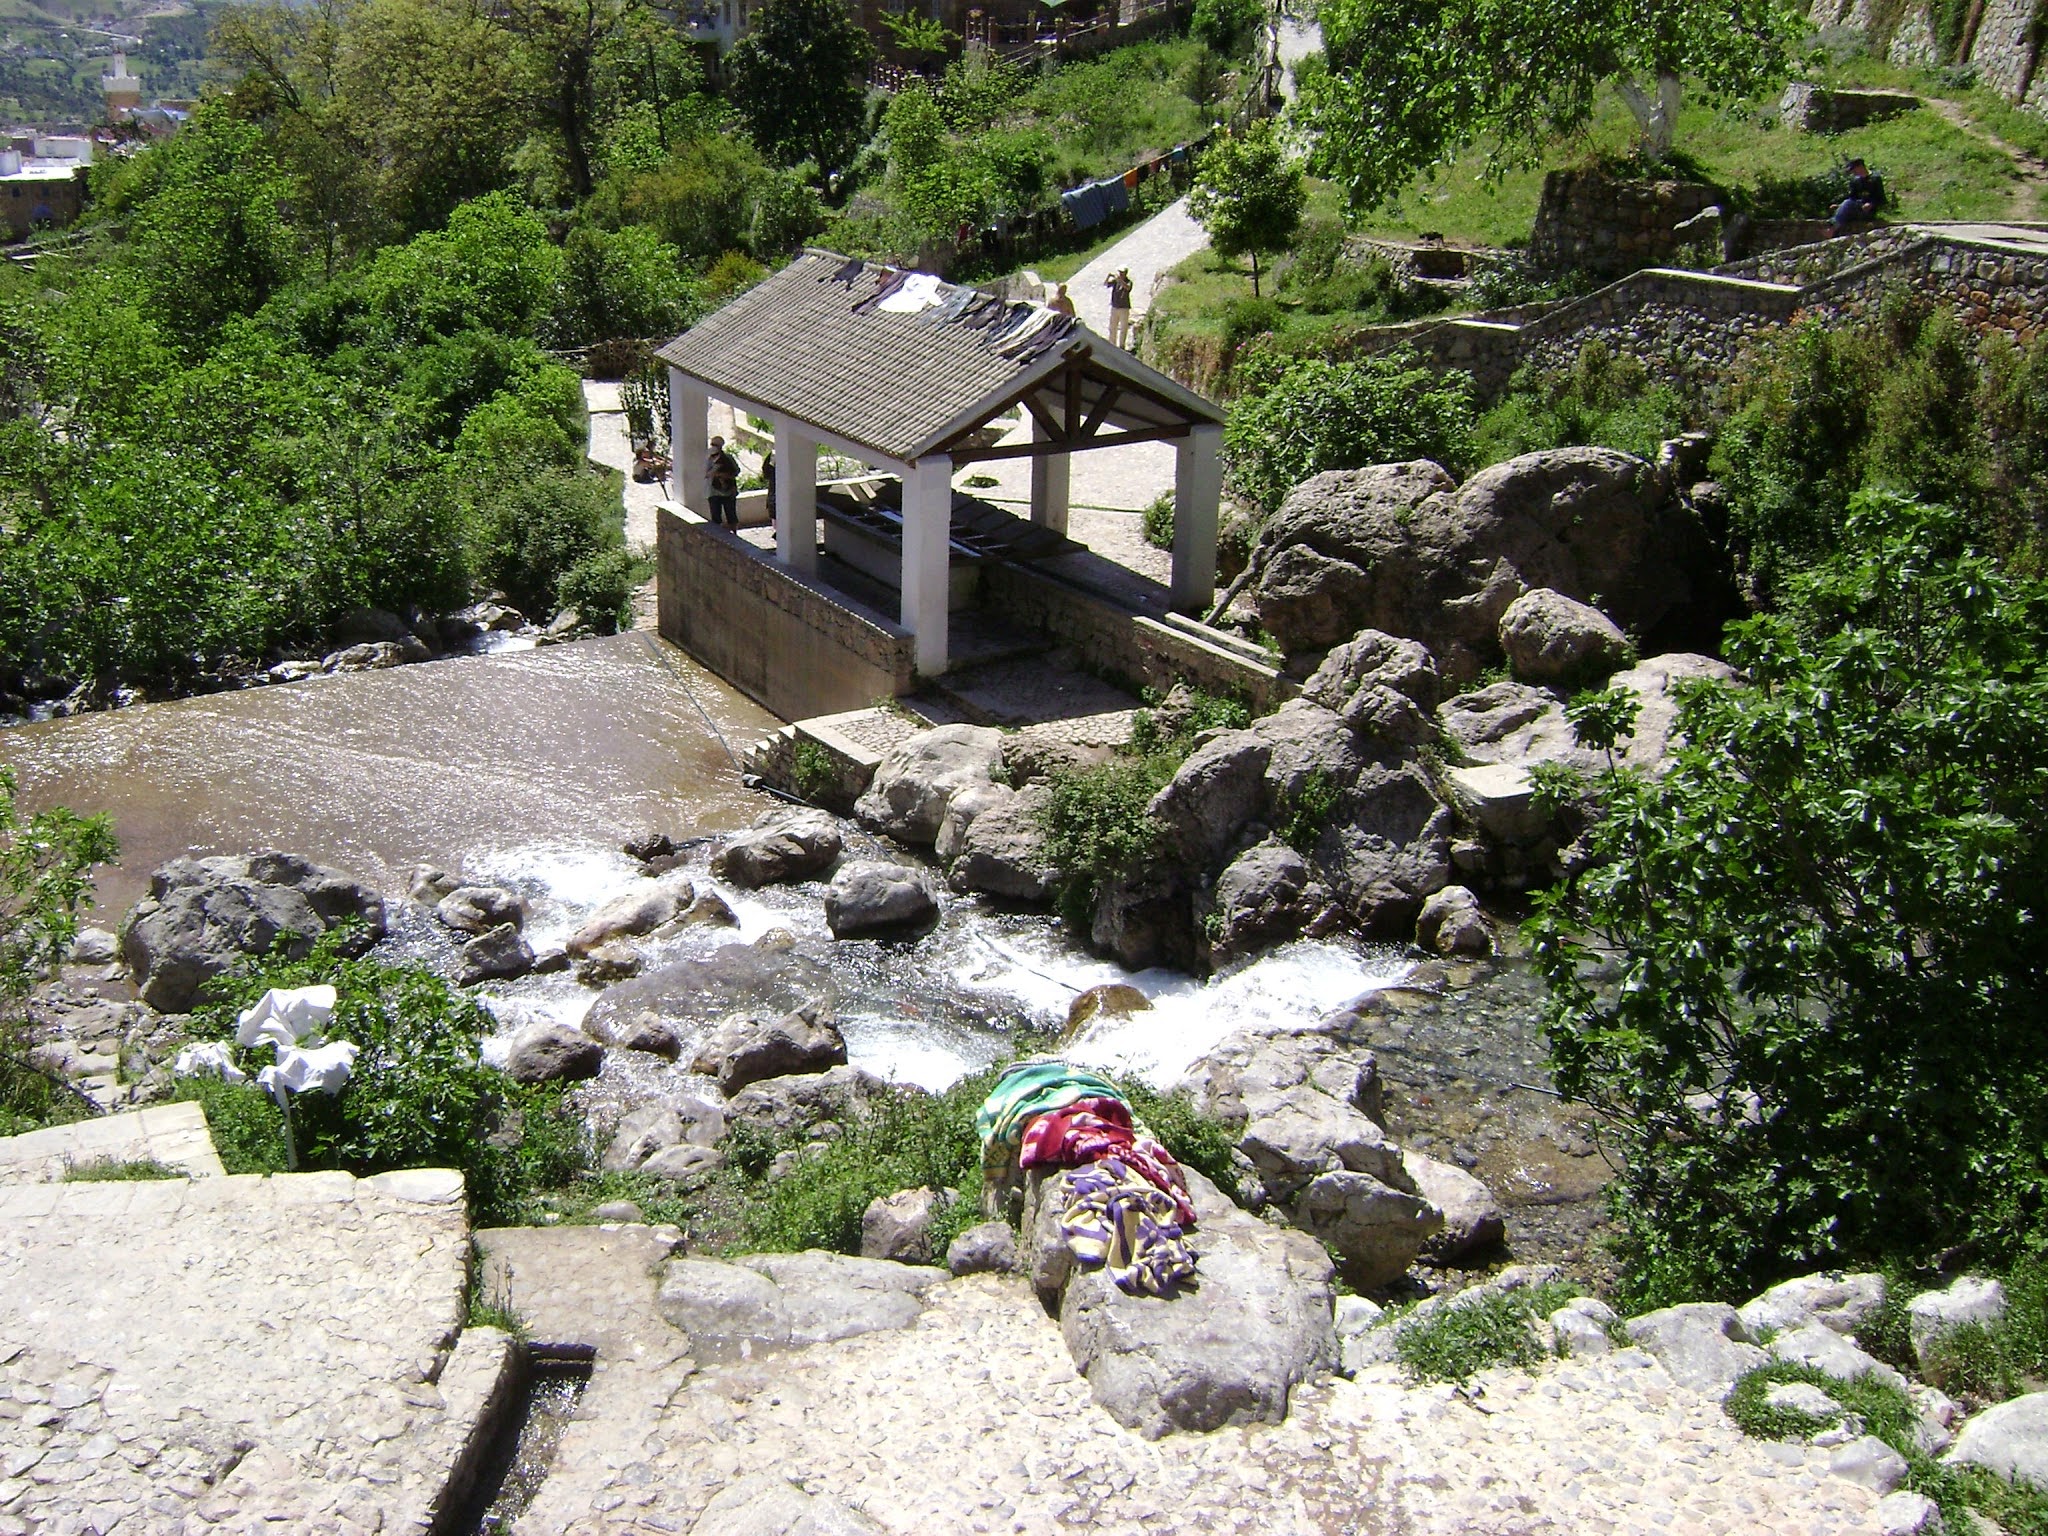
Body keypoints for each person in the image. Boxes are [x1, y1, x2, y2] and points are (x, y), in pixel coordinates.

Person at [1832, 159, 1886, 234]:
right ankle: (1834, 227)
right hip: (1856, 207)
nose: (1853, 172)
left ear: (1860, 167)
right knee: (1847, 204)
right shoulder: (1855, 181)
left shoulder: (1875, 179)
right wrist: (1840, 205)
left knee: (1848, 204)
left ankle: (1832, 227)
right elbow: (1852, 197)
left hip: (1868, 211)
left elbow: (1881, 199)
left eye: (1854, 169)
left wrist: (1871, 204)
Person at [706, 435, 740, 528]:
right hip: (713, 492)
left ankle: (734, 534)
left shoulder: (728, 458)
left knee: (731, 515)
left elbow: (736, 471)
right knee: (715, 517)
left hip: (728, 491)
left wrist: (721, 475)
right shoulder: (708, 459)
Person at [1105, 268, 1134, 347]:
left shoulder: (1129, 282)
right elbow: (1106, 284)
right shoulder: (1115, 282)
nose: (1120, 274)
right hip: (1115, 307)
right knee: (1112, 327)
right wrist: (1109, 276)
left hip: (1124, 308)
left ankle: (1121, 345)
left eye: (1122, 273)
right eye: (1120, 272)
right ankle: (1112, 344)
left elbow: (1127, 288)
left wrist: (1120, 280)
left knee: (1123, 328)